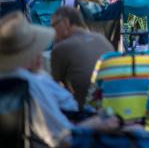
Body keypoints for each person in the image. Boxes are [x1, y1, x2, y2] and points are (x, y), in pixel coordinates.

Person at [0, 12, 118, 146]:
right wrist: (95, 123)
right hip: (77, 131)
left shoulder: (12, 79)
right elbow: (62, 137)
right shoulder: (31, 84)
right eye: (35, 49)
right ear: (23, 57)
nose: (40, 53)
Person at [50, 6, 113, 109]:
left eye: (54, 25)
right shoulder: (101, 38)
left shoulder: (62, 47)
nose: (53, 30)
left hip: (84, 108)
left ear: (66, 22)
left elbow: (55, 85)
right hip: (112, 103)